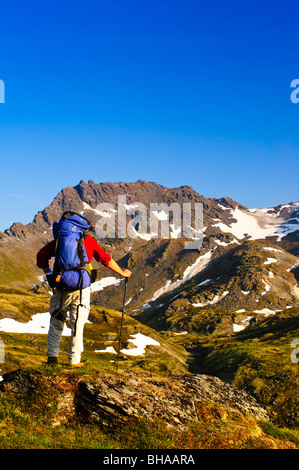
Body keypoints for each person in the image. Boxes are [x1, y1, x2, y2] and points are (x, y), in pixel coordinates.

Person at [37, 227, 132, 367]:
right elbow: (105, 259)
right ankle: (74, 361)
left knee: (56, 322)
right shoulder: (88, 241)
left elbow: (41, 255)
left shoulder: (60, 241)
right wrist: (122, 273)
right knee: (77, 324)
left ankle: (52, 358)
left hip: (61, 287)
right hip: (81, 289)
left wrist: (49, 273)